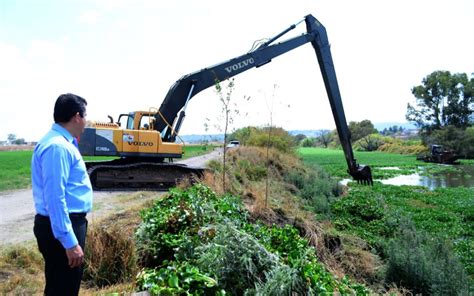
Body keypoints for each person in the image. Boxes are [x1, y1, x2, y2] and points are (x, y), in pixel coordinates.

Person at [32, 93, 93, 295]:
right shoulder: (57, 147)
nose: (86, 122)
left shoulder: (59, 143)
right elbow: (55, 198)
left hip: (63, 224)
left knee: (61, 286)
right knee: (63, 289)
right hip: (62, 227)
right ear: (77, 117)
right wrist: (69, 241)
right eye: (85, 116)